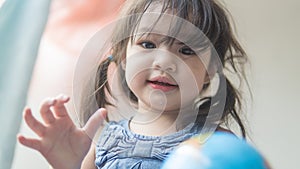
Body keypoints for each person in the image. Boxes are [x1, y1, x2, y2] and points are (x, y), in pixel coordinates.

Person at [17, 0, 257, 168]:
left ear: (209, 71)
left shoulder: (216, 144)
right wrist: (69, 166)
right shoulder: (103, 142)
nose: (165, 62)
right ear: (122, 56)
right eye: (148, 44)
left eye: (186, 50)